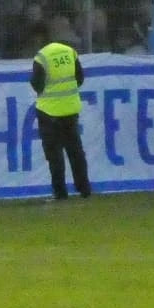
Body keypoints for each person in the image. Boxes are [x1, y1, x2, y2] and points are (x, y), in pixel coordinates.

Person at [30, 27, 93, 201]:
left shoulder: (41, 57)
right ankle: (84, 189)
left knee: (55, 155)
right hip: (71, 109)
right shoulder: (70, 52)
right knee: (76, 152)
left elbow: (37, 84)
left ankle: (60, 193)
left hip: (49, 112)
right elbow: (80, 78)